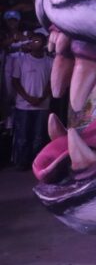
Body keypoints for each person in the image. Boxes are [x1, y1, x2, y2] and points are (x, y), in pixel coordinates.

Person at [10, 32, 53, 169]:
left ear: (44, 44)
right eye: (32, 40)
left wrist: (41, 98)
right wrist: (28, 98)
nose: (33, 43)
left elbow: (51, 82)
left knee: (38, 137)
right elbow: (15, 81)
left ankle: (35, 164)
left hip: (42, 105)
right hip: (23, 105)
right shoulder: (21, 60)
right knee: (22, 136)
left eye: (37, 41)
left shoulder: (49, 62)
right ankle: (21, 163)